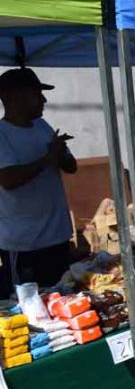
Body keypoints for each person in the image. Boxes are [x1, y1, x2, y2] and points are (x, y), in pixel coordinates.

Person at [0, 68, 77, 297]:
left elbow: (71, 167)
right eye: (37, 94)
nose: (43, 100)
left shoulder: (43, 127)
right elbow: (8, 179)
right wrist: (47, 159)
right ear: (13, 98)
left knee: (65, 301)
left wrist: (61, 153)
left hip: (57, 237)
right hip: (25, 244)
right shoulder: (2, 134)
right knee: (32, 310)